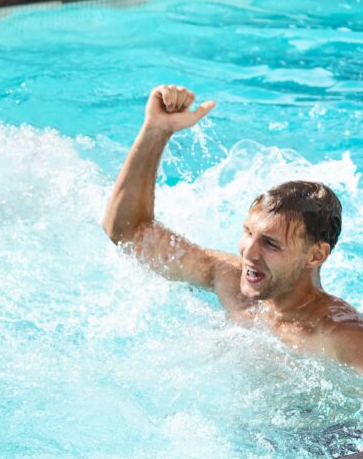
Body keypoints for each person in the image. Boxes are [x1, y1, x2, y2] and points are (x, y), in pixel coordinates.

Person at [103, 85, 363, 372]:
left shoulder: (344, 336)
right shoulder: (229, 279)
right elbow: (129, 234)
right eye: (248, 233)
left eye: (271, 243)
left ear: (315, 255)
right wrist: (156, 131)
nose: (248, 253)